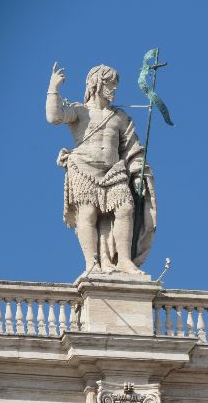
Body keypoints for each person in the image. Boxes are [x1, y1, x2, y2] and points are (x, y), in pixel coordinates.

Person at [46, 62, 156, 274]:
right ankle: (92, 262)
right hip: (83, 168)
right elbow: (54, 117)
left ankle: (124, 260)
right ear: (96, 83)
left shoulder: (120, 118)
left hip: (114, 171)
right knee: (87, 213)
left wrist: (137, 175)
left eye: (115, 84)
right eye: (109, 83)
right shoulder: (80, 111)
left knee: (125, 209)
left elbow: (133, 149)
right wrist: (54, 88)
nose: (114, 88)